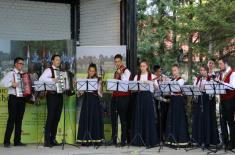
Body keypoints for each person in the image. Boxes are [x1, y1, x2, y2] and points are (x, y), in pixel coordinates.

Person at [131, 60, 159, 147]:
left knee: (148, 118)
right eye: (141, 66)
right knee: (140, 117)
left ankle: (149, 140)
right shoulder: (136, 77)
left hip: (148, 98)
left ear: (147, 66)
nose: (142, 68)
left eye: (143, 66)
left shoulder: (152, 76)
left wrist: (152, 83)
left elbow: (157, 89)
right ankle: (139, 140)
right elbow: (133, 89)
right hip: (139, 98)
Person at [0, 57, 27, 148]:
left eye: (22, 64)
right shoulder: (11, 73)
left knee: (19, 120)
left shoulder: (24, 74)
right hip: (13, 98)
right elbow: (2, 83)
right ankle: (7, 141)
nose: (21, 65)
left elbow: (27, 85)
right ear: (15, 64)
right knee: (11, 120)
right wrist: (11, 84)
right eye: (20, 63)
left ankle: (17, 141)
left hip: (22, 98)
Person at [192, 65, 219, 147]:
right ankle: (199, 140)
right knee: (199, 119)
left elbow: (213, 91)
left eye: (204, 70)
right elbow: (194, 89)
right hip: (199, 100)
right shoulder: (197, 79)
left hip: (207, 101)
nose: (202, 72)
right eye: (201, 70)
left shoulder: (211, 79)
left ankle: (208, 140)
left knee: (207, 119)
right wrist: (196, 91)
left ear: (207, 71)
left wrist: (207, 89)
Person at [77, 63, 104, 145]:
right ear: (88, 71)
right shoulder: (85, 80)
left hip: (94, 101)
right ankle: (85, 139)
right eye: (90, 71)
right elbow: (79, 94)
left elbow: (101, 94)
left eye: (93, 71)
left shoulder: (98, 80)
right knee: (86, 118)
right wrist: (78, 88)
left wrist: (101, 85)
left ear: (95, 72)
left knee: (94, 119)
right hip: (86, 101)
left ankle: (95, 139)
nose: (91, 72)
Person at [39, 54, 63, 147]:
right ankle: (47, 140)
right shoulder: (49, 70)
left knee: (56, 118)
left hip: (59, 96)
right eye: (57, 60)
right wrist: (53, 79)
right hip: (52, 96)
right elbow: (41, 79)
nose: (58, 61)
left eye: (59, 60)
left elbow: (61, 83)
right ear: (52, 61)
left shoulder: (60, 71)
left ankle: (53, 139)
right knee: (50, 118)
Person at [165, 64, 189, 147]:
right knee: (172, 119)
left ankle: (181, 140)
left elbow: (177, 89)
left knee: (178, 119)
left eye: (175, 70)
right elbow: (168, 91)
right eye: (172, 70)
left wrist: (170, 83)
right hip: (173, 100)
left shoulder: (181, 80)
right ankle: (171, 140)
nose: (173, 72)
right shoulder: (172, 80)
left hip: (178, 101)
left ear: (178, 70)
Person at [111, 54, 131, 146]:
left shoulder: (126, 71)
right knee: (114, 119)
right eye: (116, 62)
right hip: (115, 97)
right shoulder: (116, 72)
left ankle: (123, 140)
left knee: (123, 119)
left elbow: (125, 82)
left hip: (124, 98)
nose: (117, 63)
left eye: (118, 61)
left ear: (121, 61)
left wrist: (121, 73)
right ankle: (114, 139)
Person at [218, 57, 235, 150]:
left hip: (231, 101)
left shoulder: (233, 73)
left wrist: (221, 83)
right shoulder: (221, 74)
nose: (219, 66)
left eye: (220, 64)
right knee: (223, 122)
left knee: (231, 123)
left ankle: (233, 144)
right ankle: (225, 142)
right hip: (223, 101)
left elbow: (233, 86)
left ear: (225, 63)